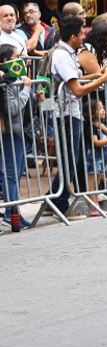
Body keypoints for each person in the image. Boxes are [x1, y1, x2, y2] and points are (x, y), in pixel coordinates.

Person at [46, 16, 107, 219]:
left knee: (75, 159)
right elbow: (77, 90)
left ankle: (58, 200)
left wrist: (94, 76)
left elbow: (75, 80)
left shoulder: (67, 52)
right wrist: (103, 78)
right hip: (67, 113)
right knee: (71, 160)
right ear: (73, 36)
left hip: (72, 112)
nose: (83, 37)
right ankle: (57, 203)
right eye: (81, 34)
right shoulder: (62, 55)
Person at [0, 44, 44, 228]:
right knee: (11, 173)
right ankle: (12, 214)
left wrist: (36, 95)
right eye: (17, 56)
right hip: (9, 131)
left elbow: (24, 103)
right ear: (6, 61)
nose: (22, 59)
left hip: (19, 131)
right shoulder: (7, 79)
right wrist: (26, 89)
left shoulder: (16, 77)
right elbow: (12, 108)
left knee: (16, 173)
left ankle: (13, 212)